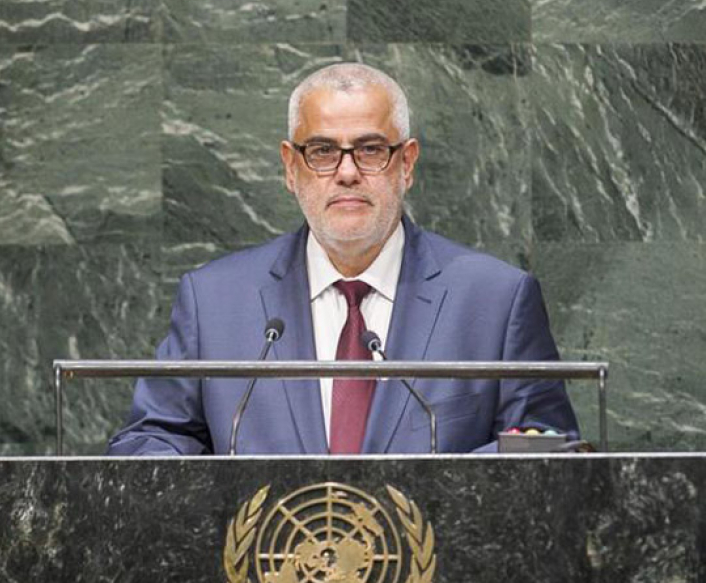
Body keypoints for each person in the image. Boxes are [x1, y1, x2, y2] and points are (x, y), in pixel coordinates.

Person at [108, 62, 577, 455]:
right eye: (323, 151)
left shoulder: (496, 299)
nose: (347, 172)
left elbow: (547, 452)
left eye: (371, 150)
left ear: (407, 164)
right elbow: (154, 439)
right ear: (291, 168)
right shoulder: (214, 301)